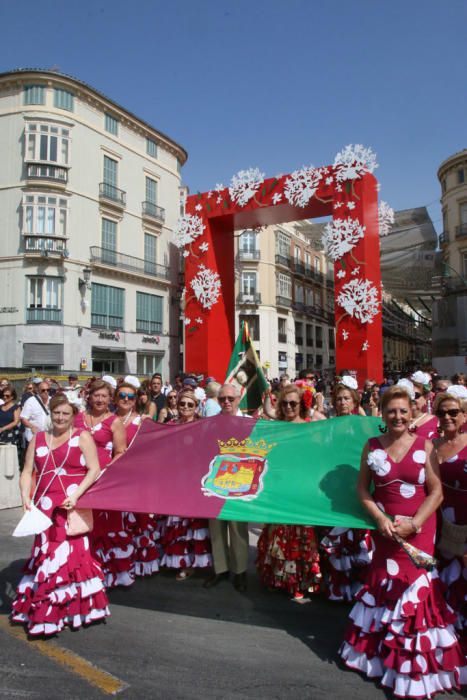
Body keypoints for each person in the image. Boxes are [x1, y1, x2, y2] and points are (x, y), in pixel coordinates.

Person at [340, 385, 466, 697]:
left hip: (419, 533)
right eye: (391, 411)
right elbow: (362, 489)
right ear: (382, 414)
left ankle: (415, 670)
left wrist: (415, 524)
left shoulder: (426, 445)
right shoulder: (371, 446)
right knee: (385, 585)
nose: (397, 416)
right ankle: (384, 658)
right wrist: (380, 519)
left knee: (416, 592)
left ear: (411, 413)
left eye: (402, 411)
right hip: (385, 534)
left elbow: (436, 491)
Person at [11, 394, 109, 636]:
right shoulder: (39, 438)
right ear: (51, 414)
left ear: (73, 415)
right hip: (44, 507)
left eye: (66, 413)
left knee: (72, 559)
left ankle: (72, 610)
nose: (61, 417)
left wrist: (76, 497)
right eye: (57, 413)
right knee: (46, 556)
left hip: (70, 506)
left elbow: (94, 469)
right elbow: (26, 471)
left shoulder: (81, 437)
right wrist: (25, 496)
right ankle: (48, 610)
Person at [256, 385, 322, 599]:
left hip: (302, 491)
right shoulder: (276, 428)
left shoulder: (309, 427)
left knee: (300, 537)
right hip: (280, 490)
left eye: (293, 403)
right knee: (278, 535)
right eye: (284, 403)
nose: (288, 407)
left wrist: (314, 408)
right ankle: (277, 579)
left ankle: (299, 584)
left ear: (301, 404)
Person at [320, 376, 374, 601]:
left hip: (357, 486)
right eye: (338, 398)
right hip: (334, 490)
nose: (342, 402)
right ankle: (339, 590)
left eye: (346, 398)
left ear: (354, 401)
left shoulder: (364, 425)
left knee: (356, 540)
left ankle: (360, 589)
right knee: (337, 542)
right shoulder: (328, 425)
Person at [74, 379, 131, 588]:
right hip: (78, 479)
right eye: (96, 395)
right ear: (89, 396)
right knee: (82, 524)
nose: (99, 399)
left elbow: (120, 453)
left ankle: (107, 572)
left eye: (104, 396)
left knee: (104, 526)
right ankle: (82, 570)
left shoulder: (114, 422)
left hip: (103, 482)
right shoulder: (77, 418)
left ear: (110, 399)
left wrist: (104, 474)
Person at [159, 389, 212, 580]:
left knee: (192, 525)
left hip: (194, 481)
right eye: (182, 404)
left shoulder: (202, 426)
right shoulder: (170, 425)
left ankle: (190, 563)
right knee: (176, 522)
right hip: (174, 481)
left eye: (190, 405)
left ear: (196, 407)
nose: (186, 408)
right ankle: (176, 558)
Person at [204, 383, 250, 591]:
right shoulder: (211, 423)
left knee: (238, 528)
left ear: (239, 399)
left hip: (241, 481)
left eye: (231, 398)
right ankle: (220, 569)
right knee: (216, 528)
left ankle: (240, 572)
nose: (226, 402)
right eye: (222, 399)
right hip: (215, 482)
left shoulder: (250, 422)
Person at [433, 387, 467, 657]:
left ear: (464, 415)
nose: (447, 417)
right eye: (442, 412)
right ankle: (447, 639)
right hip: (438, 520)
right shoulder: (430, 445)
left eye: (453, 412)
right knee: (442, 579)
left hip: (465, 520)